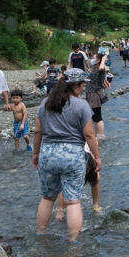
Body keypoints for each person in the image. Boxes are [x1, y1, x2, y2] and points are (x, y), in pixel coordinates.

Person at [33, 68, 100, 241]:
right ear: (75, 85)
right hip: (72, 155)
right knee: (73, 201)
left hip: (47, 154)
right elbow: (89, 134)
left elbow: (37, 132)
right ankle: (73, 242)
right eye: (82, 85)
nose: (83, 88)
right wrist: (97, 156)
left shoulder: (45, 103)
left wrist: (36, 154)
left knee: (47, 199)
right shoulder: (81, 105)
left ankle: (41, 236)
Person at [85, 50, 110, 139]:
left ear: (98, 60)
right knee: (94, 117)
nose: (92, 59)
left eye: (94, 58)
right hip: (92, 94)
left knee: (98, 116)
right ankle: (96, 135)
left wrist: (103, 59)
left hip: (95, 94)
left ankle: (101, 136)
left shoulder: (100, 68)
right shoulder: (95, 69)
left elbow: (102, 68)